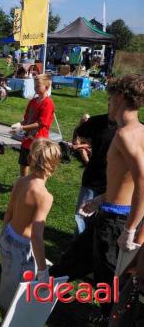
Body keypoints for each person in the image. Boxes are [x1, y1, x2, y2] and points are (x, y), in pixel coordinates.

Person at [79, 74, 144, 321]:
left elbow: (142, 181)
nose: (108, 103)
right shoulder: (140, 130)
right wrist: (100, 199)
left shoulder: (125, 134)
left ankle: (110, 318)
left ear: (119, 98)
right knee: (107, 272)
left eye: (109, 98)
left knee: (107, 277)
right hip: (115, 211)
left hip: (116, 220)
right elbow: (127, 182)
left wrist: (130, 229)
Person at [0, 139, 61, 315]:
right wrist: (42, 271)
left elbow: (9, 212)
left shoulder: (21, 181)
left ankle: (5, 310)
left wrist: (3, 233)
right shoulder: (44, 196)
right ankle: (8, 317)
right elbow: (36, 236)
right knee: (15, 293)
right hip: (21, 248)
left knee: (7, 277)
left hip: (8, 235)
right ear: (53, 165)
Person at [70, 112, 117, 236]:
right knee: (82, 217)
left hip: (115, 184)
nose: (110, 102)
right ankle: (78, 249)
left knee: (105, 222)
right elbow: (79, 132)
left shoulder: (132, 128)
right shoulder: (98, 121)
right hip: (93, 179)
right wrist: (88, 145)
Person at [11, 74, 55, 177]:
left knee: (37, 168)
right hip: (27, 140)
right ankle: (23, 184)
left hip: (39, 141)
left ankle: (34, 188)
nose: (35, 87)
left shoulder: (48, 103)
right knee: (23, 165)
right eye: (35, 85)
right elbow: (26, 119)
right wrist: (18, 125)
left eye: (38, 85)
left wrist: (22, 128)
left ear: (46, 87)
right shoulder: (32, 101)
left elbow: (41, 124)